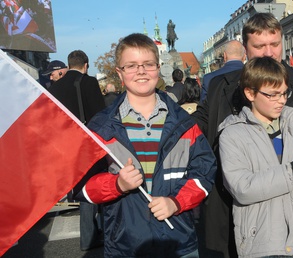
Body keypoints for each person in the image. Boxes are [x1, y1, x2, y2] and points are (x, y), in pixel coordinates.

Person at [192, 12, 293, 258]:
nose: (269, 52)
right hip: (239, 208)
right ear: (245, 49)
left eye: (275, 44)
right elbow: (197, 127)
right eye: (260, 46)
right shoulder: (222, 86)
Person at [75, 33, 216, 257]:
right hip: (125, 246)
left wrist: (176, 202)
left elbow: (205, 171)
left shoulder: (184, 122)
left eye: (148, 64)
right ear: (120, 73)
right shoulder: (101, 127)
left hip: (178, 242)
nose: (141, 71)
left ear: (158, 68)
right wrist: (117, 185)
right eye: (131, 65)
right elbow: (81, 186)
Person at [219, 56, 293, 257]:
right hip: (262, 244)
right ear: (250, 93)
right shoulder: (232, 134)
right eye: (273, 95)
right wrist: (292, 169)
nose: (282, 100)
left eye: (285, 93)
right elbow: (242, 188)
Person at [48, 50, 106, 251]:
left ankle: (89, 235)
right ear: (86, 65)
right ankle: (95, 234)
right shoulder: (89, 83)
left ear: (68, 64)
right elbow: (100, 115)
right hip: (89, 143)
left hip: (67, 145)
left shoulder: (56, 87)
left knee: (82, 187)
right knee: (97, 185)